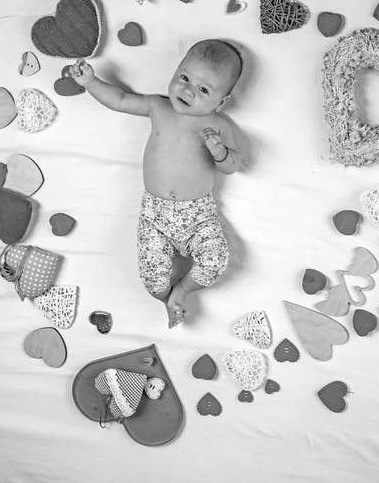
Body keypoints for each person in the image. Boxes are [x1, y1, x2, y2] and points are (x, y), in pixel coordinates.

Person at [68, 39, 246, 328]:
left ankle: (183, 290)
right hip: (155, 215)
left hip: (199, 216)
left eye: (203, 90)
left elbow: (233, 167)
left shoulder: (219, 126)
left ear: (222, 102)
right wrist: (91, 82)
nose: (188, 90)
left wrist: (221, 152)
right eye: (185, 78)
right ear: (175, 70)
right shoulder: (157, 107)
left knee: (216, 260)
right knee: (152, 282)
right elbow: (120, 100)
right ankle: (167, 299)